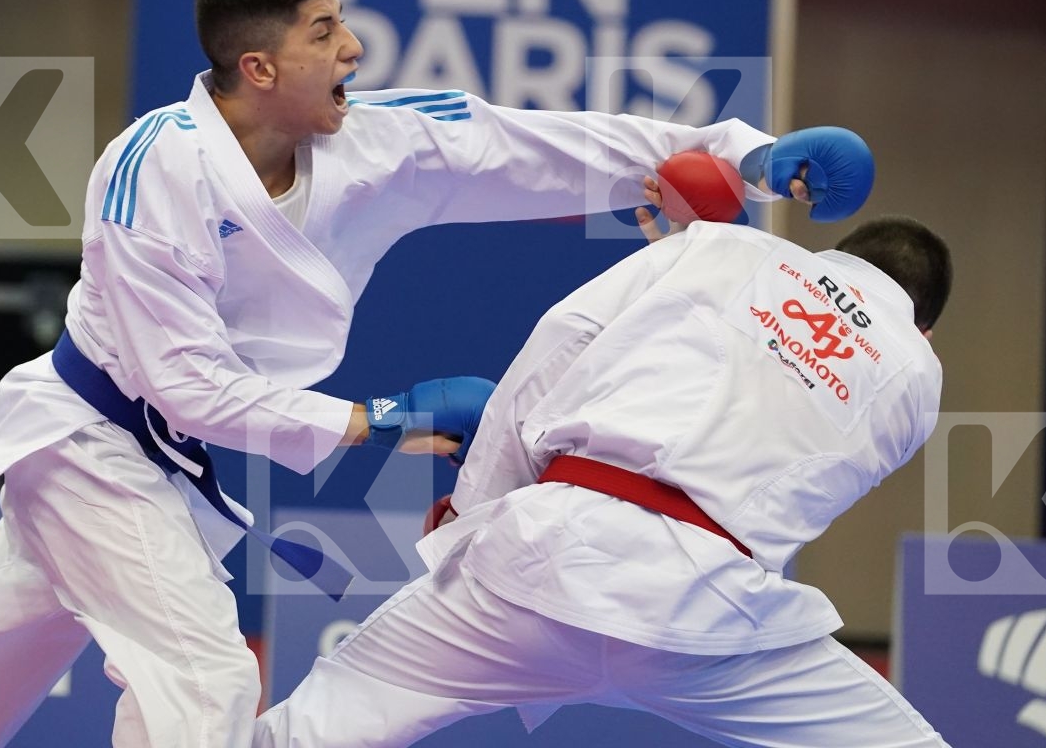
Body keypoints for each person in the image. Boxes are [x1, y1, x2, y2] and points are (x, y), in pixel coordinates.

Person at [0, 0, 874, 748]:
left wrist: (741, 156)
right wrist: (381, 420)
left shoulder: (373, 140)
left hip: (154, 459)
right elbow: (187, 385)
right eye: (324, 31)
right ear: (259, 64)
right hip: (91, 440)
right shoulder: (154, 172)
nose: (352, 48)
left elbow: (528, 145)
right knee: (204, 681)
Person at [256, 210, 952, 748]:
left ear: (834, 252)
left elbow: (563, 335)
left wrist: (474, 515)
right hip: (708, 618)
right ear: (924, 330)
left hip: (543, 559)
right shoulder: (917, 375)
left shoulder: (726, 246)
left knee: (316, 724)